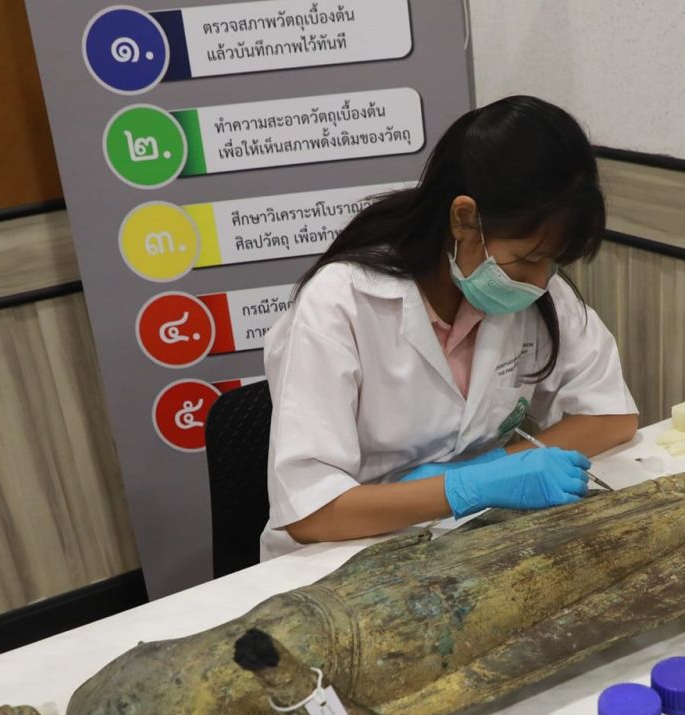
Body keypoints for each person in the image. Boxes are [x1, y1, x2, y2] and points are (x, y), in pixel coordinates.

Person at [260, 95, 639, 559]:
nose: (542, 281)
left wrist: (493, 468)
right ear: (464, 220)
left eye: (553, 262)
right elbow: (311, 513)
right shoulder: (341, 303)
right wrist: (464, 486)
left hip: (466, 542)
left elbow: (611, 417)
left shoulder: (534, 289)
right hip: (342, 554)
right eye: (529, 258)